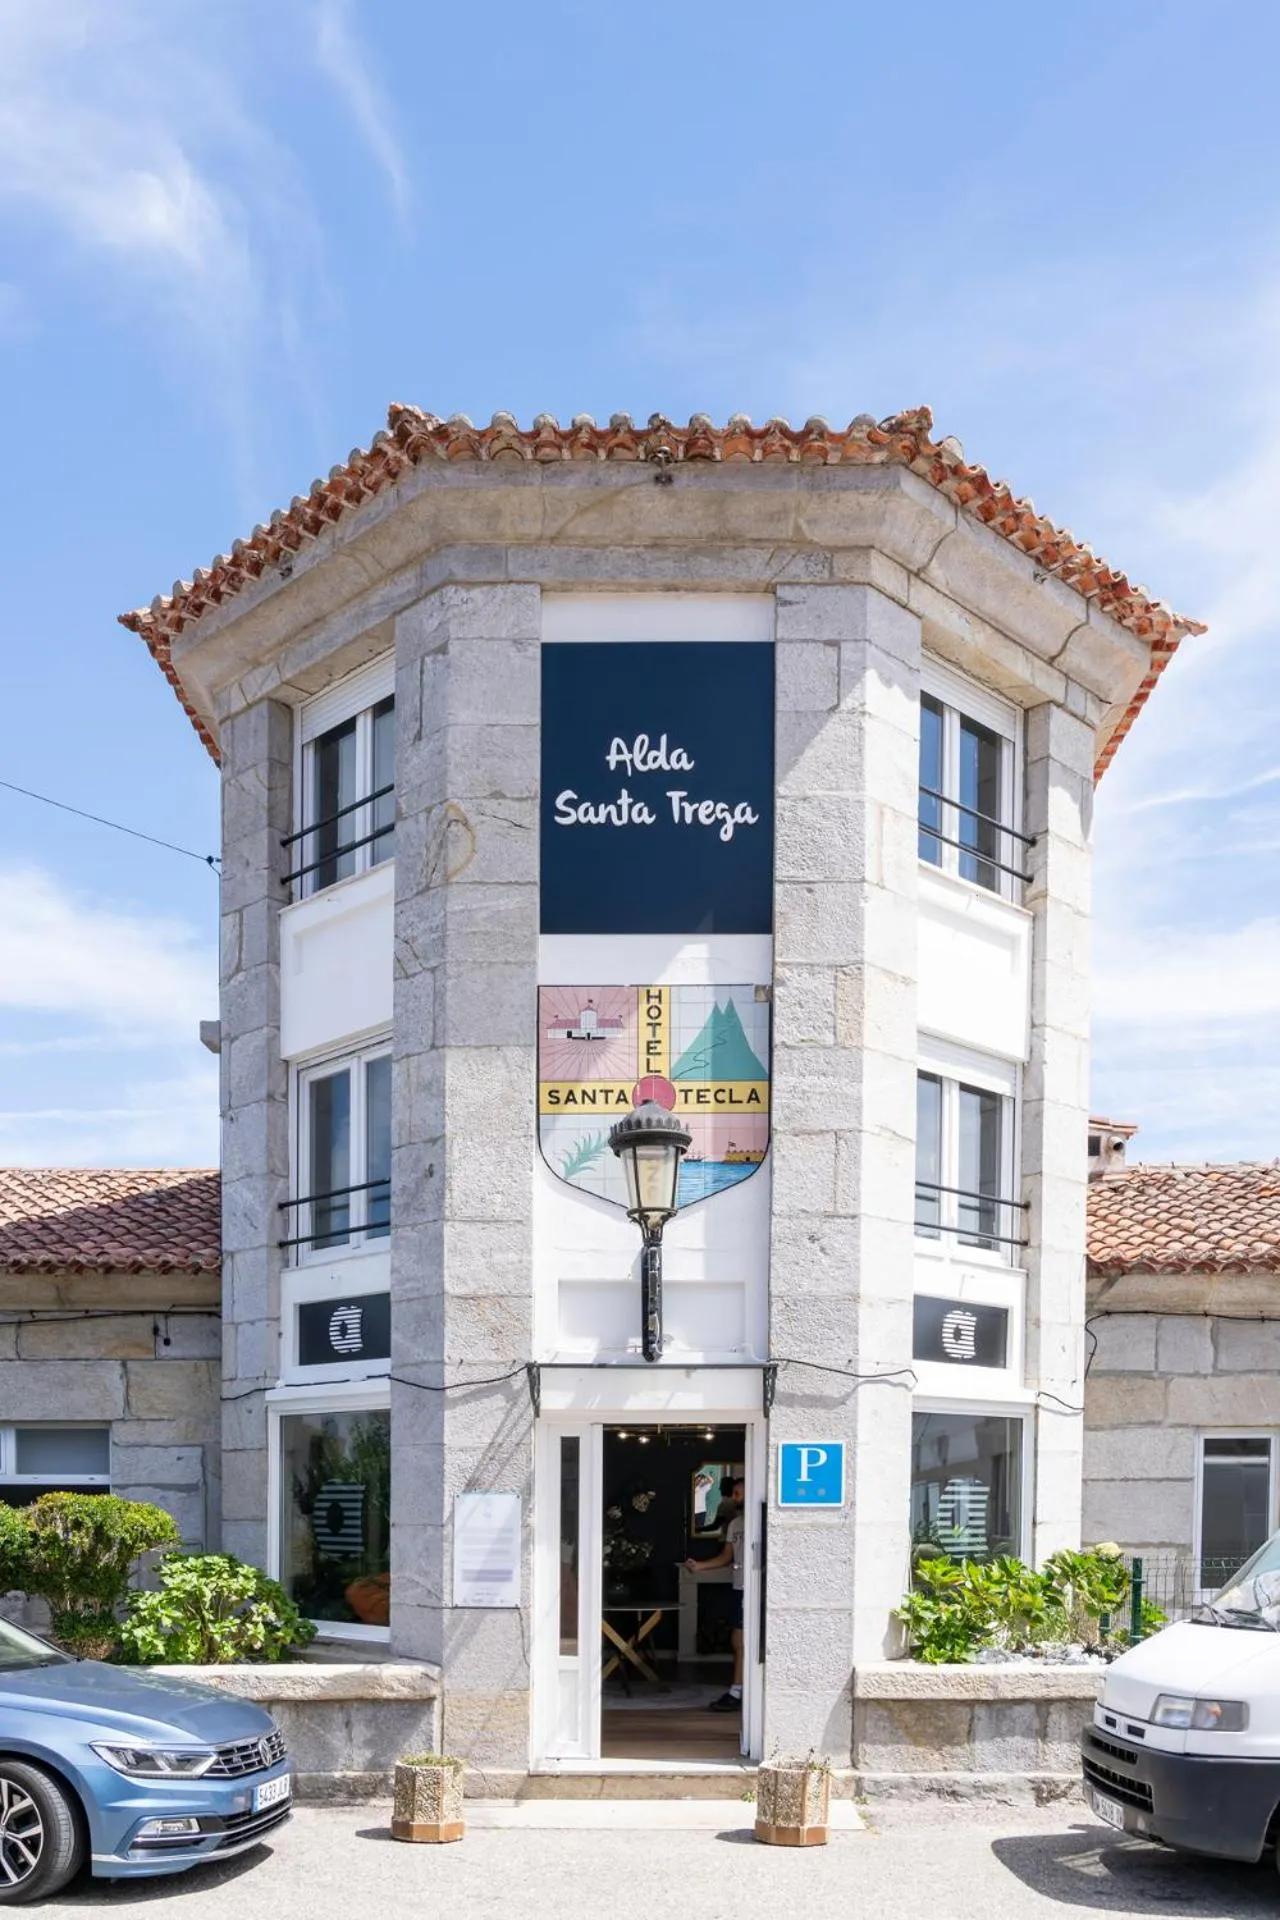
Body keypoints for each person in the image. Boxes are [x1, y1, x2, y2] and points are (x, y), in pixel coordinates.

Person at [685, 1475, 745, 1713]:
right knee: (738, 1640)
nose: (734, 1497)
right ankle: (738, 1690)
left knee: (741, 1641)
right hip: (738, 1588)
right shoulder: (735, 1525)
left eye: (738, 1494)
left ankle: (738, 1690)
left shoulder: (764, 1522)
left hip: (754, 1590)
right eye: (734, 1493)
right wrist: (699, 1566)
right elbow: (726, 1557)